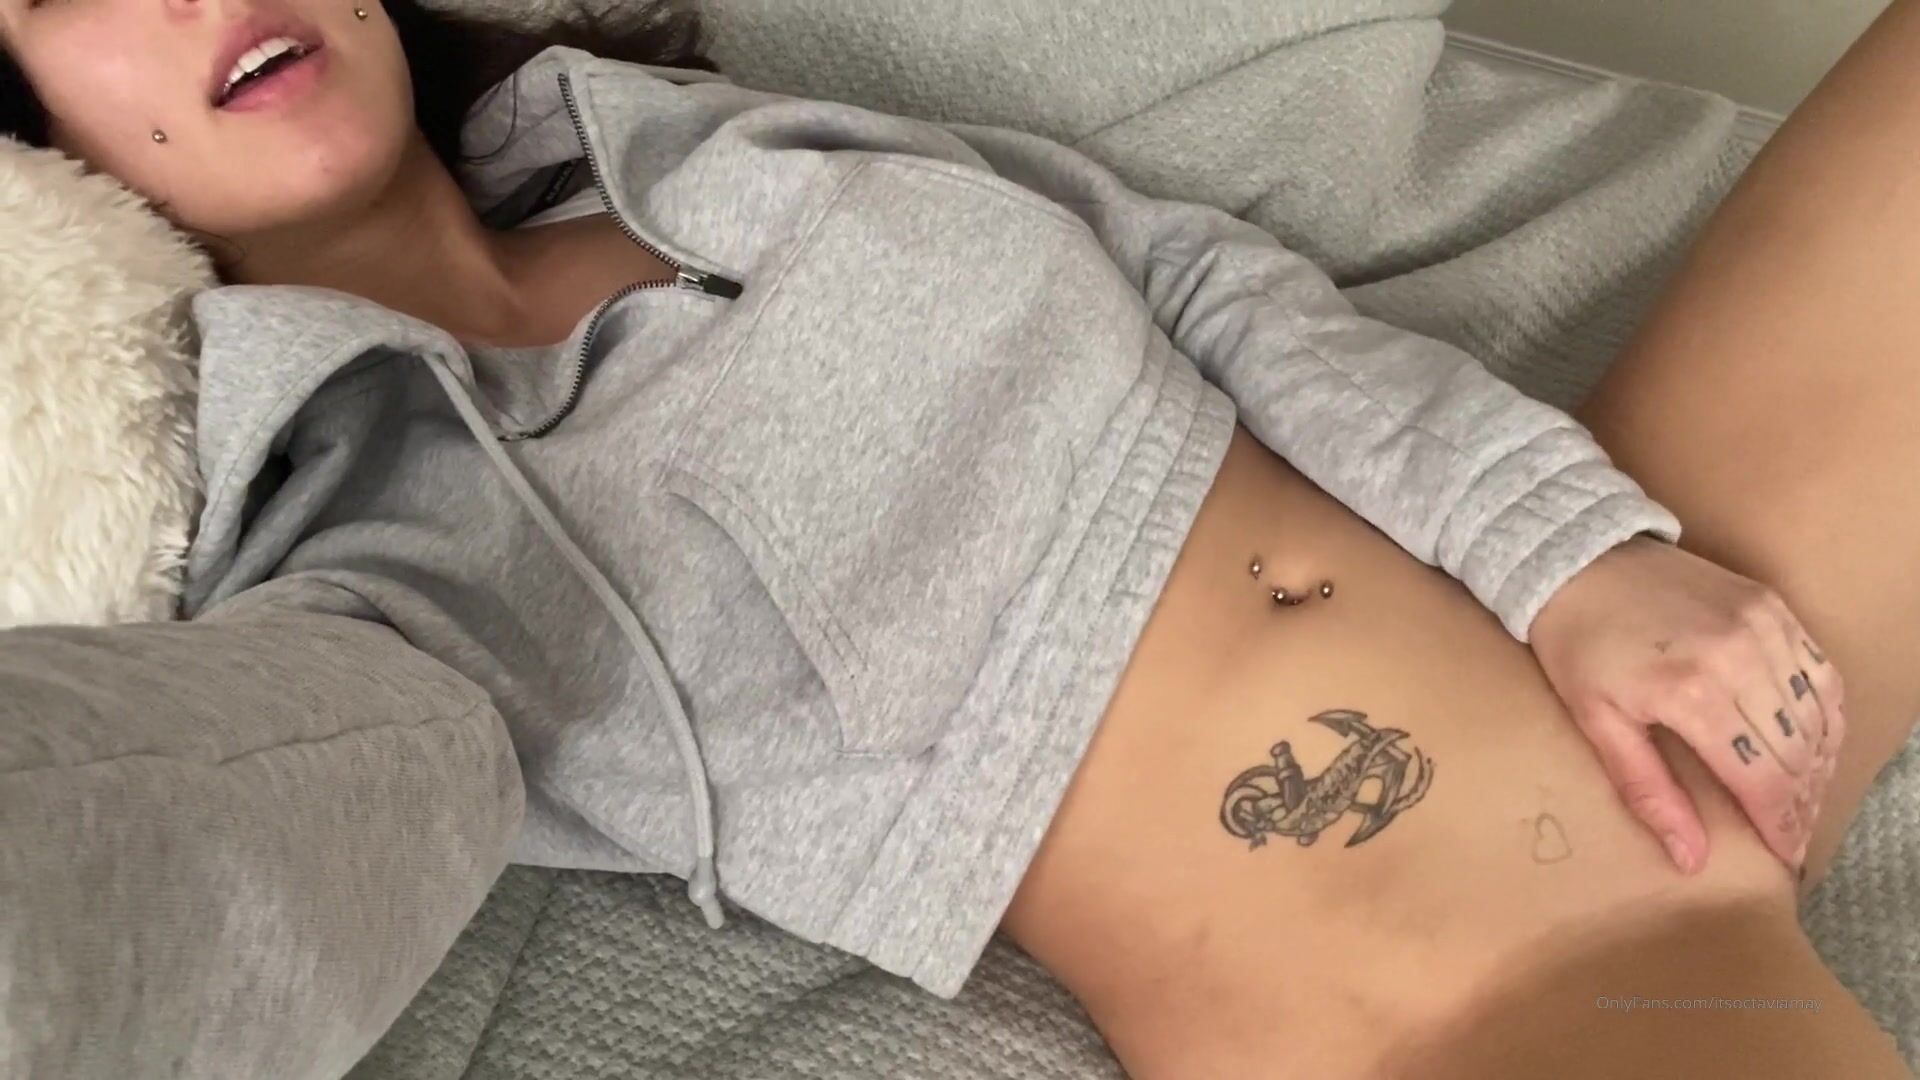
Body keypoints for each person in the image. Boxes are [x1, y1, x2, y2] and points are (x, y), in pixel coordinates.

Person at [0, 0, 1911, 1075]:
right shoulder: (350, 550)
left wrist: (1575, 555)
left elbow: (1201, 280)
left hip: (1640, 633)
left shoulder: (690, 139)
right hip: (1477, 988)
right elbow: (177, 841)